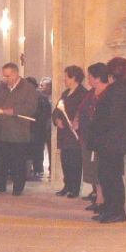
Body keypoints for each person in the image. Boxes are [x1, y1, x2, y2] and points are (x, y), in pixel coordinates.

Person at [88, 57, 126, 223]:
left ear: (112, 73)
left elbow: (111, 117)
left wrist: (97, 129)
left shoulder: (119, 90)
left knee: (111, 176)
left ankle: (116, 211)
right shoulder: (125, 88)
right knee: (107, 175)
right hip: (113, 140)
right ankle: (109, 208)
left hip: (111, 140)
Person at [0, 63, 38, 196]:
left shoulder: (28, 88)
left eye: (8, 76)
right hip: (2, 131)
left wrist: (9, 111)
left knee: (18, 162)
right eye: (4, 76)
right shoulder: (2, 88)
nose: (5, 78)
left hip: (19, 132)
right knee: (0, 161)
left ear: (16, 74)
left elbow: (31, 108)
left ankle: (18, 188)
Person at [74, 63, 109, 213]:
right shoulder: (91, 93)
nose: (87, 78)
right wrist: (76, 120)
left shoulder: (108, 93)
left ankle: (103, 201)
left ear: (97, 77)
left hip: (100, 140)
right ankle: (98, 198)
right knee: (92, 171)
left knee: (100, 171)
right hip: (88, 137)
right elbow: (80, 108)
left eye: (89, 75)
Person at [52, 66, 88, 198]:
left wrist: (77, 122)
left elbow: (83, 112)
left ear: (73, 78)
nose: (64, 79)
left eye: (66, 76)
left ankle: (74, 189)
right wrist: (56, 120)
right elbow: (57, 110)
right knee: (65, 161)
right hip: (64, 134)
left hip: (74, 135)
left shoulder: (83, 93)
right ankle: (66, 186)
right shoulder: (65, 93)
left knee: (75, 162)